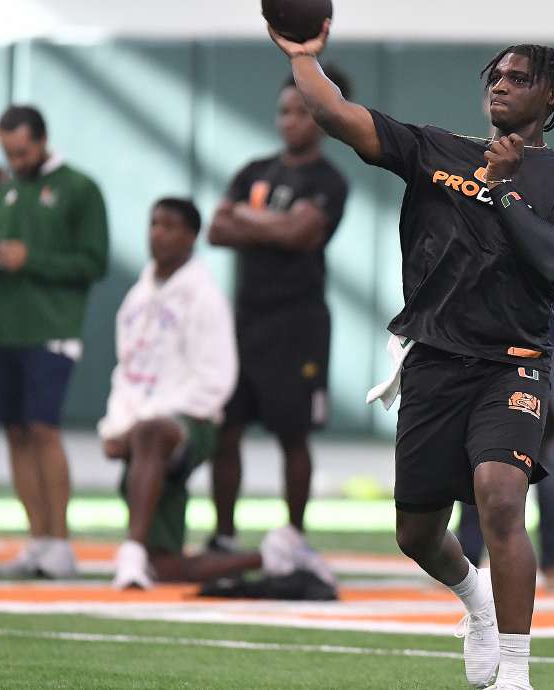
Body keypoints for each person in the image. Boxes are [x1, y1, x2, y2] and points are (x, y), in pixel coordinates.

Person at [270, 21, 554, 690]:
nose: (502, 86)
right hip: (434, 361)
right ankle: (474, 598)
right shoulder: (436, 150)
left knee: (500, 499)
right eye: (497, 77)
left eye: (520, 78)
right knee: (416, 534)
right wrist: (304, 57)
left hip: (514, 362)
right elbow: (334, 112)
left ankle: (515, 673)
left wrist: (504, 187)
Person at [101, 198, 305, 590]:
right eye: (154, 223)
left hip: (193, 423)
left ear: (192, 237)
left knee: (151, 433)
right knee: (165, 568)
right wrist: (115, 426)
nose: (158, 233)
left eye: (170, 227)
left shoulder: (205, 297)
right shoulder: (135, 300)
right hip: (141, 428)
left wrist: (145, 422)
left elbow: (216, 380)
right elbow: (127, 371)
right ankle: (272, 557)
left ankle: (130, 550)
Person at [207, 69, 350, 558]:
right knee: (226, 431)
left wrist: (250, 219)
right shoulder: (254, 170)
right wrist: (276, 224)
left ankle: (294, 534)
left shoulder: (329, 181)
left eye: (302, 111)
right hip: (245, 320)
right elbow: (216, 230)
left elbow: (300, 236)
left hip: (298, 325)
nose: (290, 121)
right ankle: (223, 533)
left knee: (293, 435)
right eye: (284, 110)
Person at [0, 105, 109, 578]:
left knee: (43, 430)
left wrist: (31, 258)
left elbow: (94, 262)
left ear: (42, 140)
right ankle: (36, 539)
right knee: (14, 432)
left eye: (22, 150)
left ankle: (59, 542)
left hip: (51, 330)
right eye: (8, 152)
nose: (15, 159)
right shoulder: (5, 189)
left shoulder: (79, 188)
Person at [455, 312, 554, 594]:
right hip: (476, 343)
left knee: (547, 456)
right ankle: (465, 560)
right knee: (475, 453)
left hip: (533, 345)